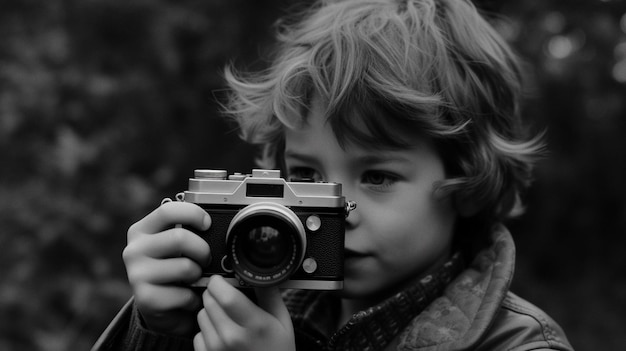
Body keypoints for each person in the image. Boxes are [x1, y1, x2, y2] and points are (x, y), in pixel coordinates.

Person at [92, 0, 574, 350]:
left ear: (466, 181)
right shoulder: (241, 304)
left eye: (378, 177)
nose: (338, 209)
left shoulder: (521, 345)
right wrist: (157, 330)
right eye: (305, 173)